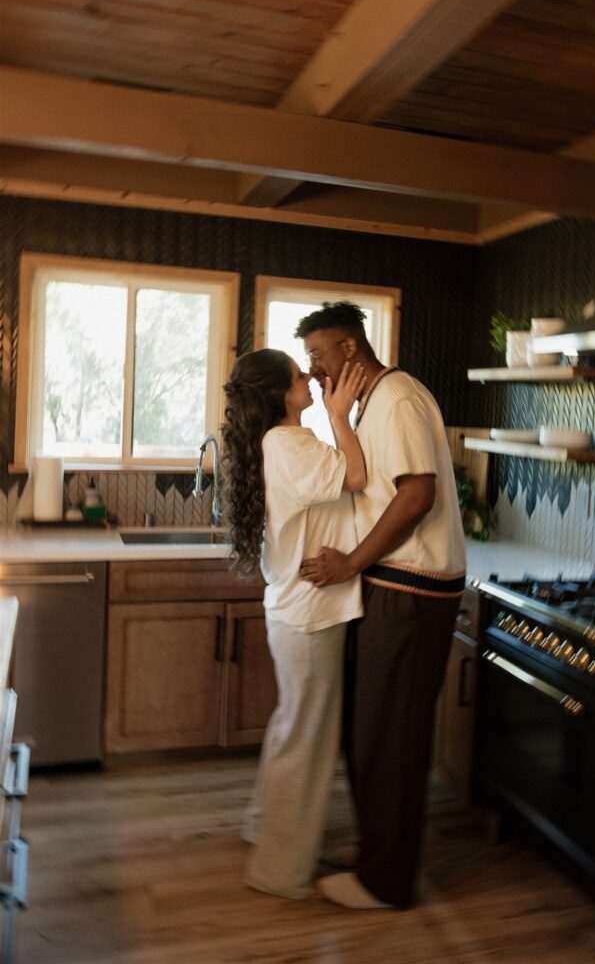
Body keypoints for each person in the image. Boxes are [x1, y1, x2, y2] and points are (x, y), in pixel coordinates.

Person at [298, 302, 467, 911]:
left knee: (390, 739)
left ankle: (386, 882)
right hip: (392, 586)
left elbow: (415, 495)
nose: (312, 369)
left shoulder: (397, 397)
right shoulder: (373, 405)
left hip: (411, 589)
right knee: (372, 734)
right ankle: (379, 856)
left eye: (318, 356)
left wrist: (350, 562)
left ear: (349, 349)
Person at [221, 348, 367, 901]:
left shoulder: (276, 444)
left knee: (291, 729)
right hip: (310, 613)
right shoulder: (291, 443)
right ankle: (279, 869)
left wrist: (334, 418)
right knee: (308, 740)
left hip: (293, 609)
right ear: (284, 394)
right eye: (301, 375)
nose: (310, 378)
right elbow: (355, 474)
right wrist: (340, 415)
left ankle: (266, 828)